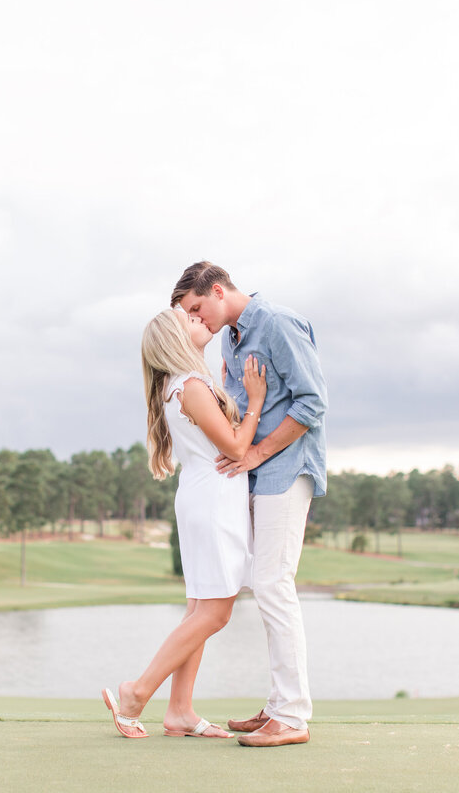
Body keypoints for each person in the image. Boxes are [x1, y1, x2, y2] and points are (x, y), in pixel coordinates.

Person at [171, 261, 327, 748]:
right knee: (263, 586)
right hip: (254, 478)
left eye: (197, 308)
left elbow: (312, 403)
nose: (197, 320)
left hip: (285, 471)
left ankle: (293, 716)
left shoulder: (277, 322)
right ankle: (279, 705)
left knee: (273, 584)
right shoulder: (230, 340)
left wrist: (257, 451)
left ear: (218, 291)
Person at [102, 307, 266, 740]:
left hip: (204, 497)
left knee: (199, 607)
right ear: (177, 337)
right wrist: (256, 403)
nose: (198, 319)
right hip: (212, 501)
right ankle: (137, 693)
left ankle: (179, 711)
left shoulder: (183, 385)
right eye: (189, 318)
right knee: (215, 611)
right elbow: (233, 446)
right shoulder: (190, 387)